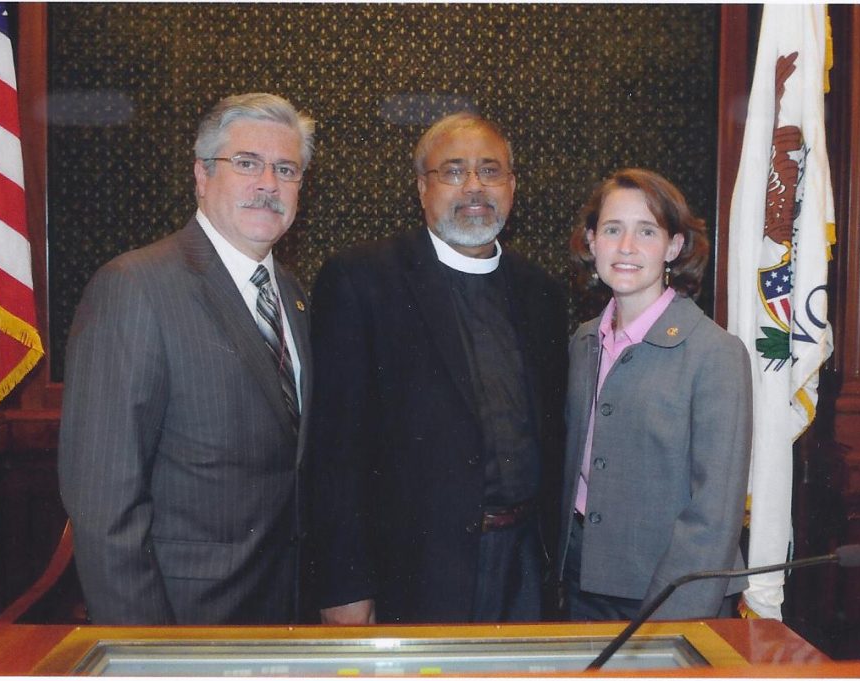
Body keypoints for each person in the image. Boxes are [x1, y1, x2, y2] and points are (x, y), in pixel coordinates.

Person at [58, 93, 315, 625]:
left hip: (282, 616)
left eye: (285, 169)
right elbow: (105, 510)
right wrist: (148, 655)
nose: (268, 183)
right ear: (201, 175)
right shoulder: (134, 287)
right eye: (246, 163)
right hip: (184, 623)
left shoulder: (293, 294)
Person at [307, 112, 568, 625]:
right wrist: (344, 587)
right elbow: (333, 452)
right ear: (422, 188)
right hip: (415, 574)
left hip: (525, 569)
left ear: (512, 186)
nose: (474, 186)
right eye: (453, 171)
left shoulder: (542, 292)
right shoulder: (363, 281)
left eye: (490, 171)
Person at [557, 168, 752, 621]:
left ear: (674, 246)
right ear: (591, 242)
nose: (626, 247)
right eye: (612, 229)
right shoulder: (583, 341)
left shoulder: (715, 353)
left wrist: (670, 622)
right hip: (580, 582)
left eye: (647, 231)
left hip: (667, 594)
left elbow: (714, 514)